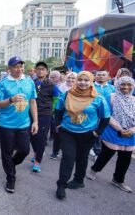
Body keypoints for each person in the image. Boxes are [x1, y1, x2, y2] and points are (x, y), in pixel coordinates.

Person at [54, 71, 110, 200]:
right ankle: (61, 185)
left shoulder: (98, 98)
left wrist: (97, 132)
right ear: (76, 81)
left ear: (91, 81)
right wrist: (58, 125)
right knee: (68, 157)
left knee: (82, 158)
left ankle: (79, 180)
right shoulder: (67, 94)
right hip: (67, 132)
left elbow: (105, 118)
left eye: (86, 80)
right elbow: (58, 110)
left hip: (87, 134)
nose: (82, 83)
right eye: (80, 80)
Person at [0, 56, 38, 193]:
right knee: (6, 152)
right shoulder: (3, 83)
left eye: (21, 66)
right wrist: (11, 100)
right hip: (6, 124)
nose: (19, 69)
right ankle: (10, 178)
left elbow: (32, 102)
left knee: (24, 150)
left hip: (23, 124)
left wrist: (35, 121)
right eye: (16, 66)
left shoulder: (29, 82)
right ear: (10, 69)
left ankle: (10, 165)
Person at [87, 76, 135, 193]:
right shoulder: (111, 97)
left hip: (130, 133)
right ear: (118, 85)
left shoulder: (134, 100)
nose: (126, 87)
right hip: (113, 130)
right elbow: (107, 115)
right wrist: (120, 129)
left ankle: (118, 180)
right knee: (107, 154)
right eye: (123, 84)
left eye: (129, 85)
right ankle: (94, 169)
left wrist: (132, 130)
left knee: (126, 157)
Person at [30, 61, 60, 172]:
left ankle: (38, 161)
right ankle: (36, 153)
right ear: (35, 70)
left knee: (41, 138)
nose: (40, 71)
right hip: (31, 113)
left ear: (47, 71)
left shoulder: (52, 85)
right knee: (31, 136)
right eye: (38, 69)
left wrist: (51, 111)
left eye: (43, 69)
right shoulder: (31, 82)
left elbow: (57, 99)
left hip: (44, 114)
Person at [51, 72, 77, 159]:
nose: (71, 80)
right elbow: (57, 102)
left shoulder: (80, 89)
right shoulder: (61, 87)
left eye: (73, 78)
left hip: (73, 116)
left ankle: (67, 153)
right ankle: (55, 152)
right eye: (69, 77)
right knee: (58, 133)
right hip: (61, 113)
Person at [91, 69, 116, 159]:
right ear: (95, 76)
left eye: (103, 75)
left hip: (108, 116)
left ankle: (97, 148)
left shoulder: (113, 88)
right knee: (96, 132)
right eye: (99, 74)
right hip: (94, 115)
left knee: (104, 133)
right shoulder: (90, 86)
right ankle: (97, 152)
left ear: (108, 77)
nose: (101, 76)